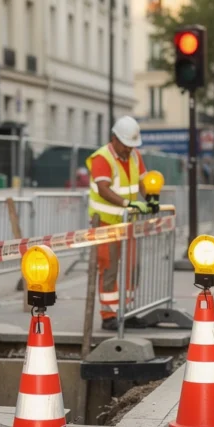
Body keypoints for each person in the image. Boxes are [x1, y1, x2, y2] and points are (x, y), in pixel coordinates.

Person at [86, 116, 152, 331]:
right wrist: (129, 204)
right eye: (126, 145)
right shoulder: (102, 158)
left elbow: (143, 181)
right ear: (114, 139)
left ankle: (128, 310)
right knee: (109, 268)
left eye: (133, 145)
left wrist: (150, 199)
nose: (129, 149)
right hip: (106, 223)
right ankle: (108, 315)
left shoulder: (134, 156)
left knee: (133, 268)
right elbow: (104, 188)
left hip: (128, 222)